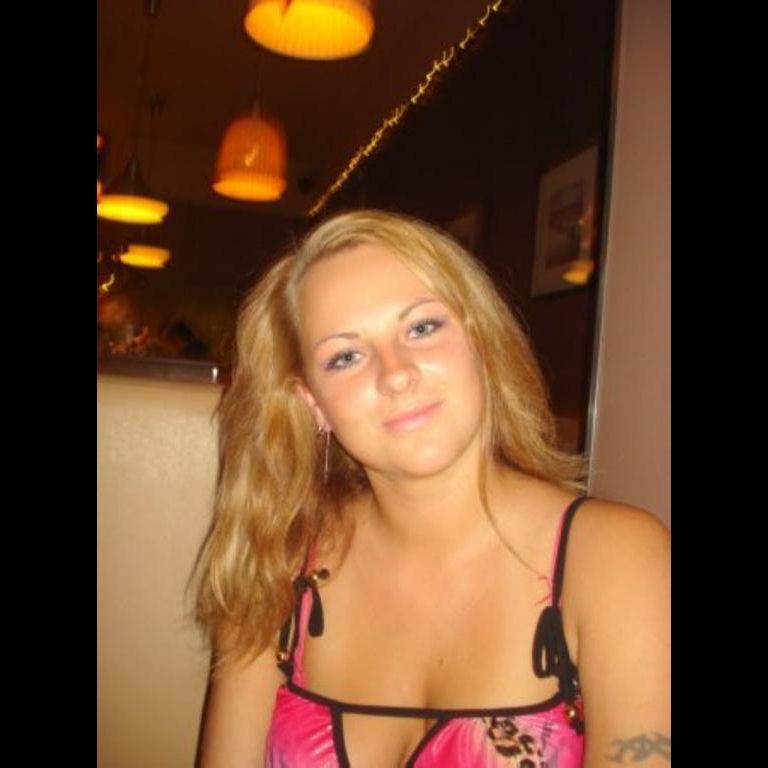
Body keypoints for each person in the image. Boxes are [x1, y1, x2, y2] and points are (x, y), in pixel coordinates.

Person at [190, 210, 670, 767]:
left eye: (421, 328)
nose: (395, 373)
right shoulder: (277, 561)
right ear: (312, 403)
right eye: (345, 356)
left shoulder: (618, 560)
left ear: (479, 339)